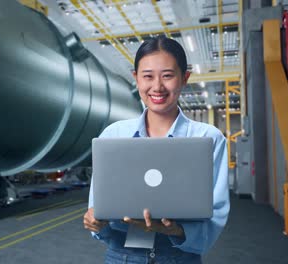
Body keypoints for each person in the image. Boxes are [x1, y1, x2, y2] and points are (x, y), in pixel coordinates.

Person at [83, 36, 230, 264]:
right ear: (136, 79)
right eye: (148, 76)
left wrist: (175, 230)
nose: (157, 87)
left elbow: (217, 213)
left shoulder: (208, 138)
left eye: (168, 76)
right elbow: (98, 206)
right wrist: (95, 222)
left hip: (179, 257)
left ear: (184, 78)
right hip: (121, 256)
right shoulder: (113, 135)